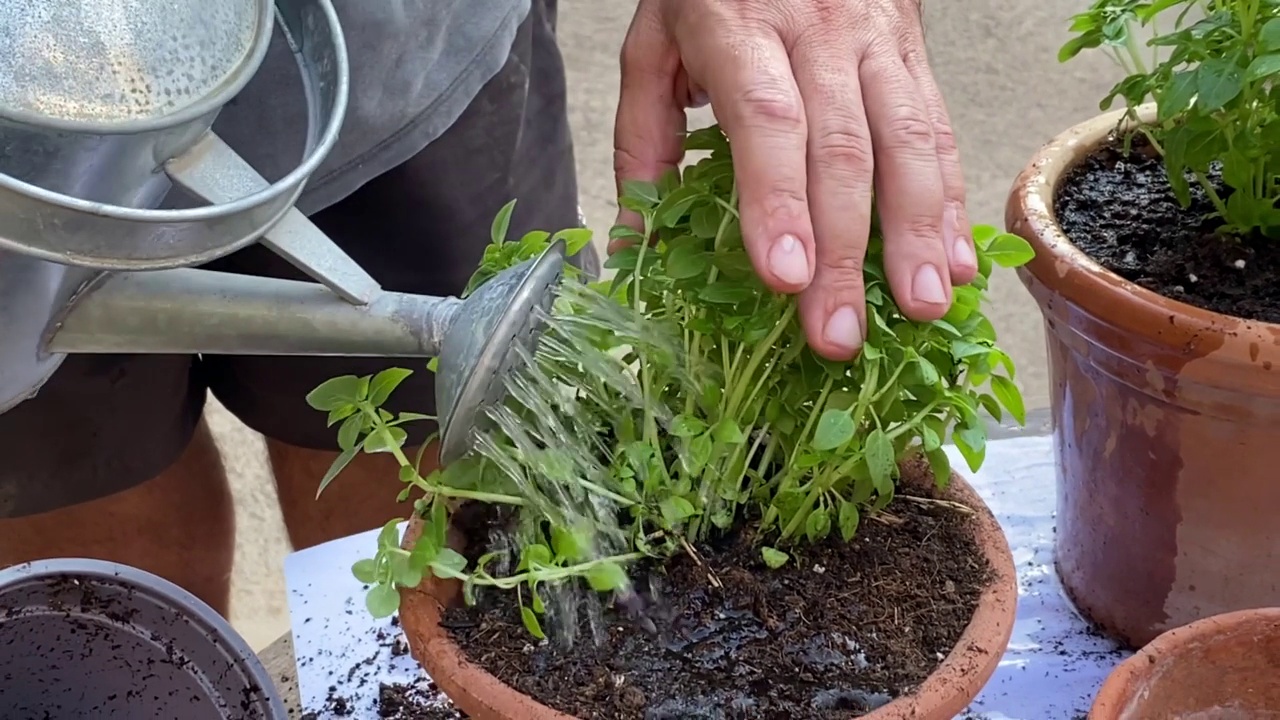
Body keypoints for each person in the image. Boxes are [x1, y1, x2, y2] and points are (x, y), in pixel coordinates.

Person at [0, 0, 975, 615]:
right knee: (81, 511)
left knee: (444, 462)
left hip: (395, 52)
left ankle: (413, 673)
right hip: (26, 185)